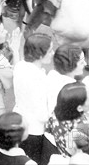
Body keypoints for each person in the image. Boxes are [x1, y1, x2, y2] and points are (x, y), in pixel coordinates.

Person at [13, 33, 53, 162]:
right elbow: (42, 115)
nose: (53, 53)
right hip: (34, 130)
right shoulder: (39, 78)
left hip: (19, 121)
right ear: (40, 55)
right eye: (50, 50)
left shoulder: (20, 66)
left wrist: (15, 47)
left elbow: (16, 61)